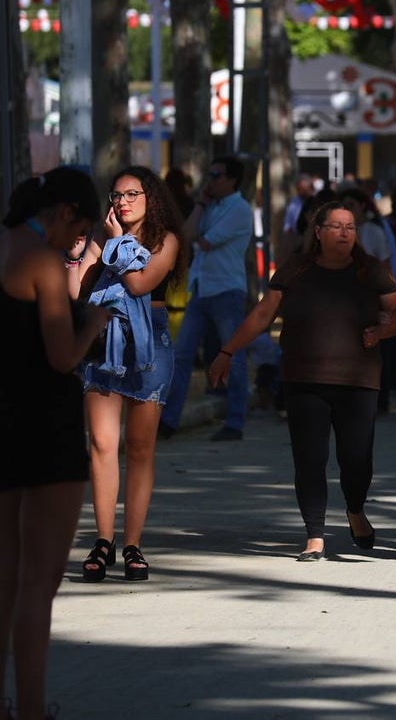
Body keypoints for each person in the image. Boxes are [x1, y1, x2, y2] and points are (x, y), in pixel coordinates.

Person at [207, 201, 396, 560]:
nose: (345, 233)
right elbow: (263, 313)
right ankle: (315, 534)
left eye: (350, 227)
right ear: (318, 232)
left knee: (356, 459)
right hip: (303, 378)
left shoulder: (371, 269)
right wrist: (228, 350)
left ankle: (355, 508)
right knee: (309, 459)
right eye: (336, 226)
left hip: (358, 380)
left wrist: (382, 331)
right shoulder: (296, 268)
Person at [1, 168, 108, 720]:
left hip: (5, 418)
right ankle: (32, 708)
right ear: (66, 212)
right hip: (45, 426)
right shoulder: (43, 261)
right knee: (39, 581)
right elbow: (62, 356)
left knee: (5, 577)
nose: (76, 245)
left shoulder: (5, 245)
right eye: (80, 232)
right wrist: (92, 322)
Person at [70, 166, 188, 583]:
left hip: (148, 341)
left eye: (132, 194)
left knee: (139, 447)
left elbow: (139, 284)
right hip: (102, 338)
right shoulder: (101, 237)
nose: (122, 202)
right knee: (102, 443)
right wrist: (77, 255)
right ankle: (103, 541)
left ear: (150, 197)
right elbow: (75, 291)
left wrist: (116, 241)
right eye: (117, 195)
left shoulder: (165, 240)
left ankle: (133, 543)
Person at [159, 156, 253, 442]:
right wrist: (200, 204)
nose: (210, 180)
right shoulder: (210, 206)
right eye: (209, 174)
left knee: (232, 357)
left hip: (226, 289)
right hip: (201, 288)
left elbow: (206, 241)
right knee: (182, 355)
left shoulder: (240, 209)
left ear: (232, 180)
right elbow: (186, 235)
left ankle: (235, 421)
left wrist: (198, 222)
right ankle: (168, 420)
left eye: (216, 175)